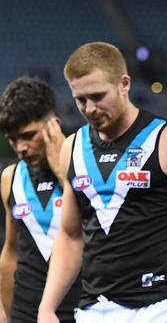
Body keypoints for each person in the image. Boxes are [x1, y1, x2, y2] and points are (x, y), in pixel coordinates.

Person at [37, 42, 167, 322]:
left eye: (97, 96)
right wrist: (47, 307)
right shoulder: (72, 147)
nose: (90, 108)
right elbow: (70, 235)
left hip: (160, 307)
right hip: (94, 308)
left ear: (124, 84)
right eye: (80, 100)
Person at [0, 77, 80, 322]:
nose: (20, 147)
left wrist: (61, 170)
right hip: (26, 311)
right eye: (13, 139)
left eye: (28, 135)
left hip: (80, 307)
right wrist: (4, 313)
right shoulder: (11, 177)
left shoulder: (84, 163)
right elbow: (12, 251)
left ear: (53, 125)